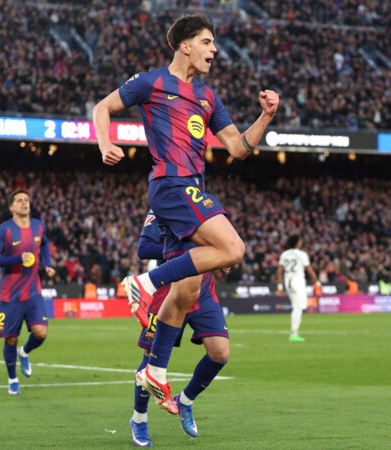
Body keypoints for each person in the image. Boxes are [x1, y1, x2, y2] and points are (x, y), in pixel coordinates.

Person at [94, 13, 279, 407]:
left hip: (192, 189)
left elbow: (238, 148)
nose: (215, 50)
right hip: (170, 184)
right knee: (233, 248)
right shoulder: (151, 82)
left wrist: (265, 117)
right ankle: (144, 284)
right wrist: (105, 143)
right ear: (185, 46)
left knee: (190, 286)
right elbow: (102, 107)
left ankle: (155, 372)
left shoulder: (208, 97)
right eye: (207, 42)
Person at [130, 210, 229, 446]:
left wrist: (225, 257)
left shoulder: (204, 207)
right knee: (149, 358)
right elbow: (144, 249)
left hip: (203, 290)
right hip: (169, 290)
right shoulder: (162, 207)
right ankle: (139, 419)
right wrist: (184, 254)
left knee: (220, 353)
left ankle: (185, 400)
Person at [0, 189, 56, 395]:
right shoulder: (5, 230)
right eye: (19, 201)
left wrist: (48, 263)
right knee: (11, 339)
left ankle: (24, 352)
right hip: (11, 295)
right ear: (12, 207)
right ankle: (12, 378)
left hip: (33, 291)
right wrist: (18, 259)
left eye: (26, 200)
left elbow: (44, 243)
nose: (24, 203)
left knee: (41, 333)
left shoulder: (39, 226)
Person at [275, 235, 321, 343]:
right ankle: (293, 333)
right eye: (300, 241)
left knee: (296, 307)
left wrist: (280, 287)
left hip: (288, 281)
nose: (301, 243)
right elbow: (309, 270)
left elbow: (280, 271)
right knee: (298, 308)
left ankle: (294, 332)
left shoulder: (284, 254)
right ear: (296, 242)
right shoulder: (302, 254)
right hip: (298, 281)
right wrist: (317, 283)